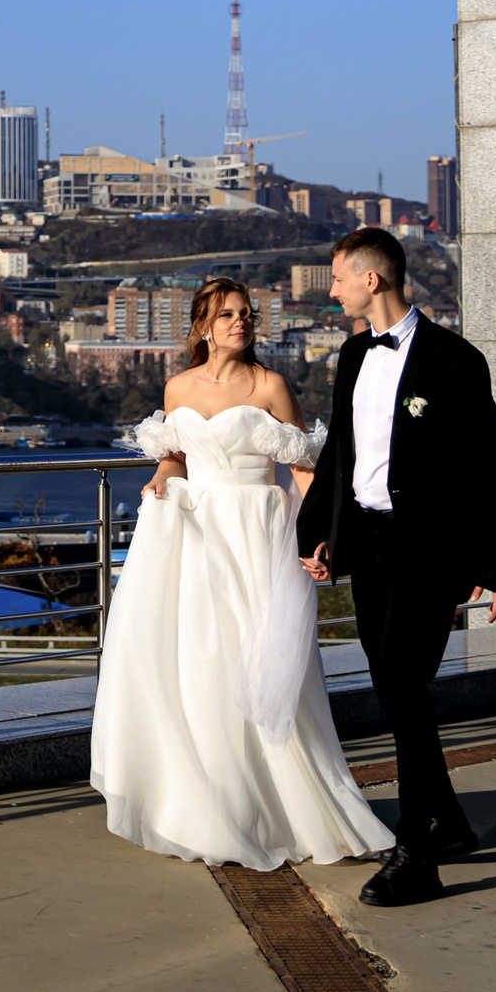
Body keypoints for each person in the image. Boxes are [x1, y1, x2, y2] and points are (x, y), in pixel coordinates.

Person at [90, 276, 395, 871]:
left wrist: (323, 534)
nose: (240, 322)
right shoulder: (178, 384)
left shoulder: (271, 385)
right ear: (203, 325)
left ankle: (281, 807)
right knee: (201, 661)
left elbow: (305, 468)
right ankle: (216, 805)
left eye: (246, 314)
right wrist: (160, 479)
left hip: (258, 534)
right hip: (197, 534)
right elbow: (176, 453)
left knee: (261, 660)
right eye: (227, 314)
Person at [296, 226, 496, 907]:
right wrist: (321, 536)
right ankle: (445, 821)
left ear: (373, 280)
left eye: (337, 277)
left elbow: (487, 466)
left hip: (430, 549)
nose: (330, 289)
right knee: (399, 688)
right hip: (368, 546)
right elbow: (342, 456)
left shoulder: (455, 361)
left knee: (399, 680)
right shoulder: (353, 353)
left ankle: (417, 852)